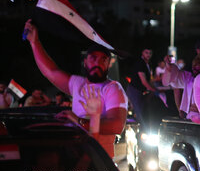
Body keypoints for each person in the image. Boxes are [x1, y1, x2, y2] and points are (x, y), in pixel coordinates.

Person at [23, 19, 128, 158]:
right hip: (76, 154)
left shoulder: (113, 88)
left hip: (100, 159)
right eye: (93, 58)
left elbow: (116, 126)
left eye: (103, 59)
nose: (98, 62)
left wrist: (78, 121)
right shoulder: (77, 84)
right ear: (85, 62)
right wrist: (34, 42)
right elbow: (50, 71)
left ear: (109, 64)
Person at [126, 48, 165, 124]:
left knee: (142, 111)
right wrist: (155, 90)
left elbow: (149, 80)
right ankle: (139, 131)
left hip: (140, 91)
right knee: (139, 112)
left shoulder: (147, 64)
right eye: (146, 52)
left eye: (150, 53)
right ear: (142, 53)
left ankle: (141, 129)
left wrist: (155, 88)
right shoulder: (140, 63)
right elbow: (144, 82)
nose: (148, 55)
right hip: (134, 90)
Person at [162, 55, 200, 123]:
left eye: (197, 64)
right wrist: (168, 65)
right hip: (190, 116)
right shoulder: (189, 78)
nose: (193, 67)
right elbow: (174, 79)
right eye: (193, 64)